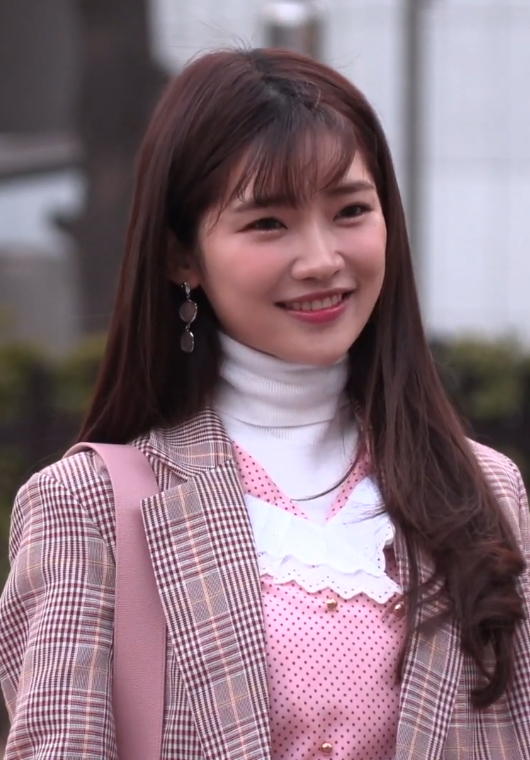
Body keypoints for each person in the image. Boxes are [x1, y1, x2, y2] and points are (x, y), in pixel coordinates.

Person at [0, 46, 529, 760]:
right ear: (182, 257)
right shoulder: (88, 507)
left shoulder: (482, 490)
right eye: (267, 224)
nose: (320, 259)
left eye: (350, 211)